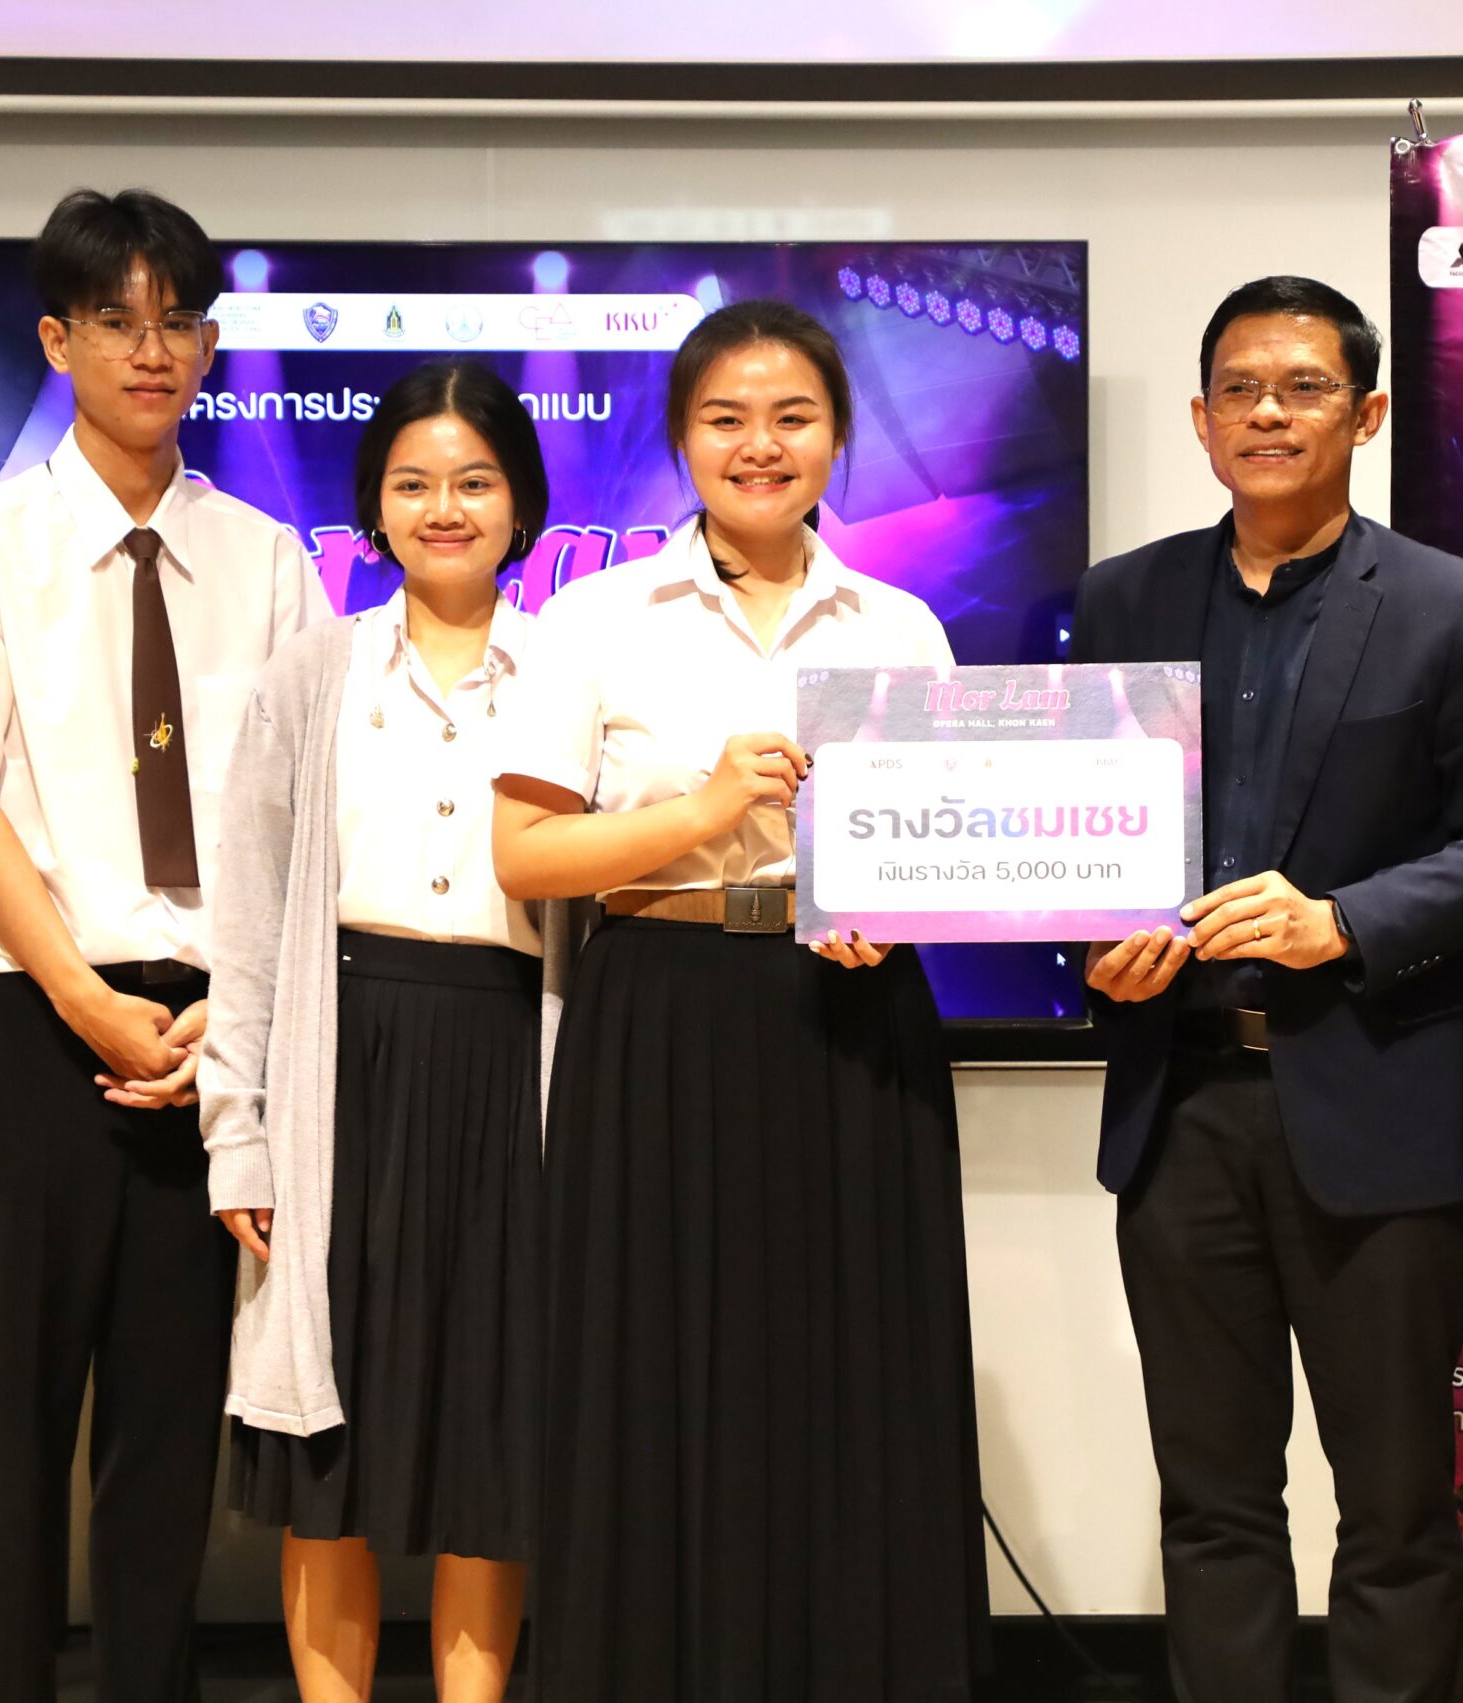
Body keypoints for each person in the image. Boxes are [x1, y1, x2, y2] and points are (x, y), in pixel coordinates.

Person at [1067, 275, 1463, 1703]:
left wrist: (1339, 923)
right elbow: (1070, 828)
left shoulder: (1452, 608)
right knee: (1211, 1498)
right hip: (1178, 1105)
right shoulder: (1124, 598)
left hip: (1378, 1099)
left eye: (1303, 387)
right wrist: (1092, 943)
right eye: (1240, 389)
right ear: (1201, 419)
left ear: (1369, 411)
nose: (1269, 413)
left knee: (1394, 1505)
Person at [491, 298, 986, 1702]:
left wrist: (896, 912)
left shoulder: (901, 625)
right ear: (680, 440)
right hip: (661, 1007)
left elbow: (955, 845)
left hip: (856, 1014)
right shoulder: (595, 619)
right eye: (725, 419)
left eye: (792, 417)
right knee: (655, 1363)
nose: (759, 445)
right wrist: (705, 809)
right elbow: (526, 858)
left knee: (854, 1363)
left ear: (837, 436)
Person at [0, 188, 328, 1703]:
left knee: (167, 1426)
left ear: (208, 345)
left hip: (209, 1033)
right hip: (33, 1026)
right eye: (118, 321)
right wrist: (84, 999)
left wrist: (227, 1019)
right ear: (58, 340)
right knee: (12, 1418)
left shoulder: (268, 561)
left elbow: (297, 811)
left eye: (179, 321)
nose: (153, 350)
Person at [201, 358, 561, 1703]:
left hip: (512, 1063)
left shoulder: (568, 671)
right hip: (340, 1065)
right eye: (413, 484)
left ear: (521, 502)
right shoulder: (314, 672)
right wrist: (238, 1137)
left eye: (474, 481)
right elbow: (248, 923)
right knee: (327, 1441)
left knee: (494, 1431)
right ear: (374, 506)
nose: (444, 508)